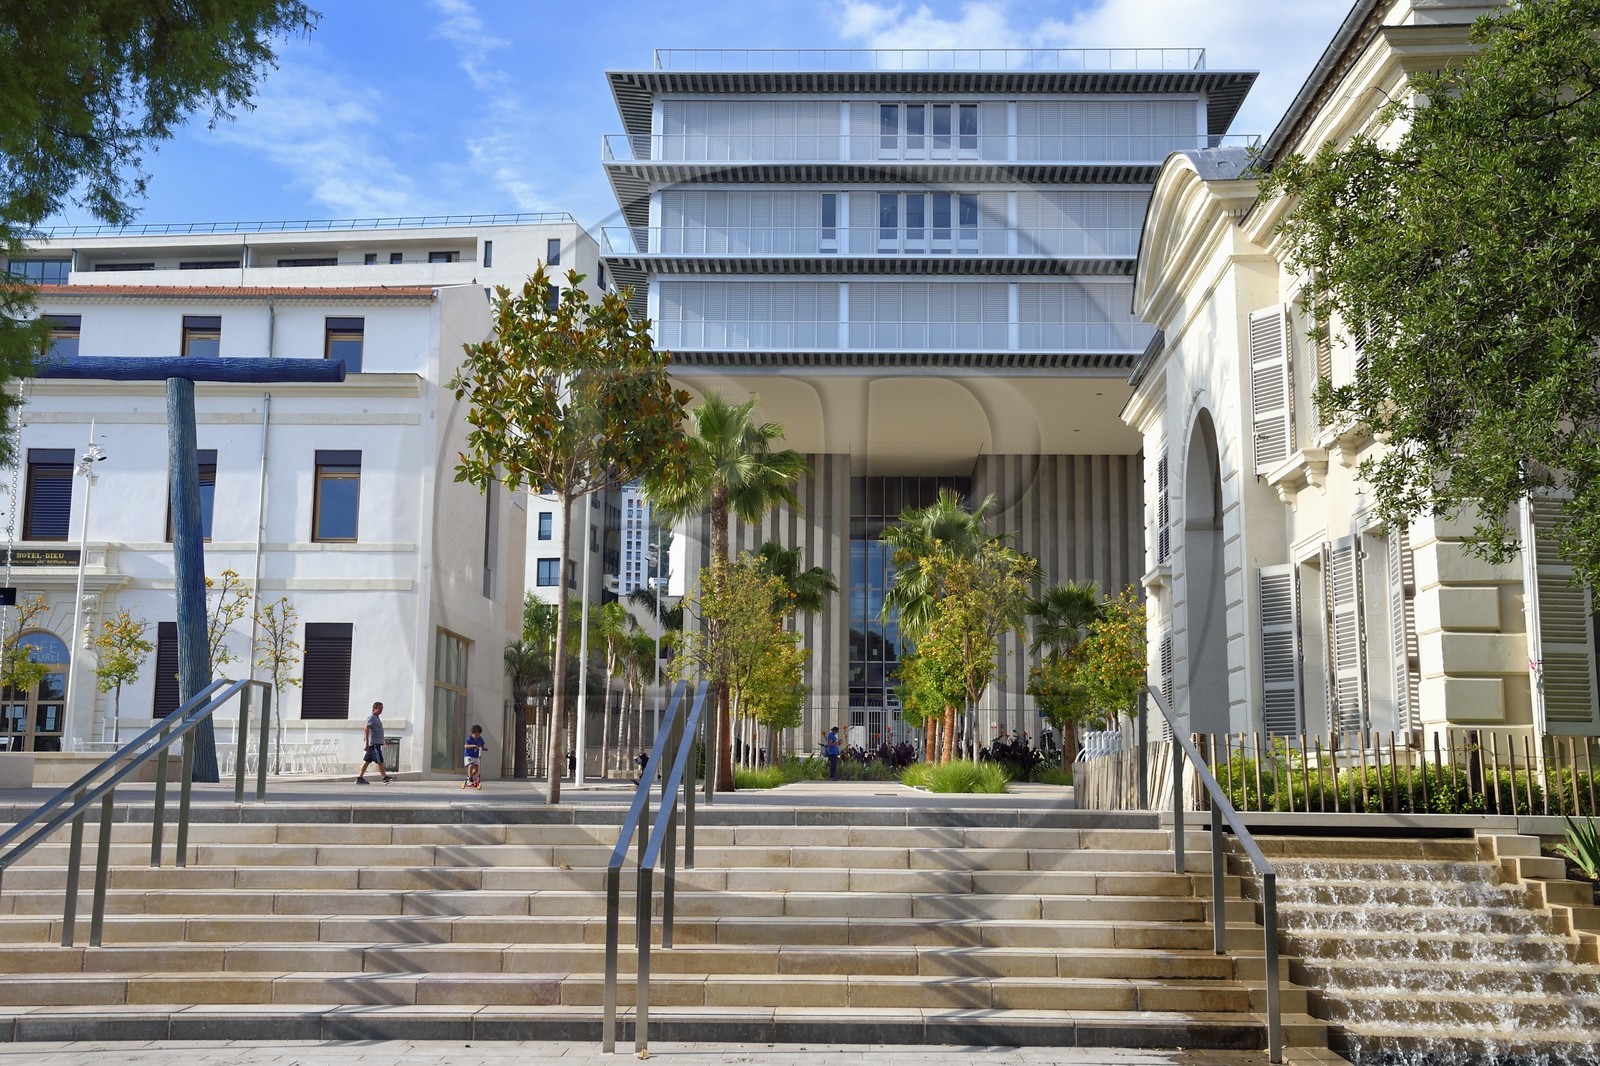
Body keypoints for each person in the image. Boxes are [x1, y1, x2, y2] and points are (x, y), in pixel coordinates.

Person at [354, 701, 391, 784]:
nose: (381, 710)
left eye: (382, 708)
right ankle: (385, 778)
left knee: (366, 761)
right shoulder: (371, 717)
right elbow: (366, 729)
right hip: (373, 744)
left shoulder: (377, 718)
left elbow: (377, 731)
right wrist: (366, 744)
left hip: (376, 742)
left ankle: (359, 778)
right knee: (379, 760)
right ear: (374, 708)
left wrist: (383, 741)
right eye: (379, 708)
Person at [462, 724, 486, 789]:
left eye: (478, 735)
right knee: (471, 765)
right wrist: (472, 746)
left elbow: (483, 745)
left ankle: (468, 778)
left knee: (477, 769)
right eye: (475, 735)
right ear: (472, 733)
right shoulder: (469, 738)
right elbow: (465, 746)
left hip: (475, 756)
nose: (477, 736)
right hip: (468, 755)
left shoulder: (480, 739)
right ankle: (469, 780)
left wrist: (484, 748)